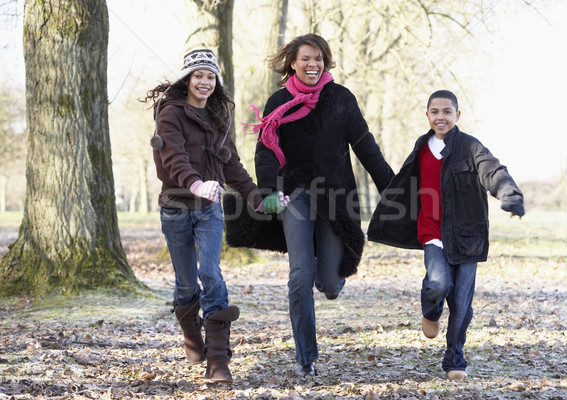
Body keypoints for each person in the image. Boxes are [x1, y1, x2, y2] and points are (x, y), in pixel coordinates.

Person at [248, 33, 395, 376]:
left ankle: (330, 278)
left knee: (328, 282)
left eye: (318, 59)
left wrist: (392, 187)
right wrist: (268, 188)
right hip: (294, 193)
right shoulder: (278, 101)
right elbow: (266, 148)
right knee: (300, 275)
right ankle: (306, 358)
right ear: (293, 63)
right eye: (305, 59)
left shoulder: (341, 99)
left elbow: (366, 146)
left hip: (335, 194)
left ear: (325, 62)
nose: (312, 64)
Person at [142, 49, 281, 383]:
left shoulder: (219, 120)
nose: (204, 82)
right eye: (198, 75)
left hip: (209, 210)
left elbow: (233, 166)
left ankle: (218, 361)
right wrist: (195, 183)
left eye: (210, 76)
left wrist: (259, 200)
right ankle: (193, 336)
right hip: (175, 207)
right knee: (186, 281)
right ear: (187, 80)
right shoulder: (170, 114)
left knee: (212, 272)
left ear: (216, 82)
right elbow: (173, 157)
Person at [367, 90, 525, 380]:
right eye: (435, 112)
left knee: (462, 305)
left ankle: (455, 359)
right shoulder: (421, 147)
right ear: (427, 115)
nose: (441, 117)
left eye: (447, 112)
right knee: (438, 283)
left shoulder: (470, 147)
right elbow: (405, 181)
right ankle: (430, 311)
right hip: (432, 232)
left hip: (467, 235)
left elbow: (494, 172)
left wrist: (510, 196)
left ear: (457, 115)